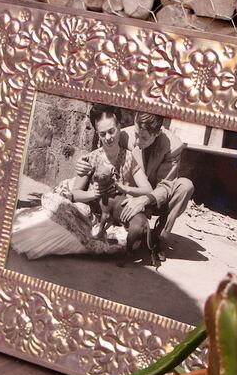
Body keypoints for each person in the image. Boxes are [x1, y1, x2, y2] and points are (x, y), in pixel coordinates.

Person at [11, 104, 153, 260]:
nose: (108, 138)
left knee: (127, 241)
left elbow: (147, 189)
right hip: (91, 213)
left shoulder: (129, 158)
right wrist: (94, 193)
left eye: (112, 131)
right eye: (102, 134)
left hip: (114, 217)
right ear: (98, 135)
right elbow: (75, 194)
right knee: (56, 230)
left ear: (119, 127)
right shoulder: (91, 158)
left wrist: (124, 188)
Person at [76, 112, 195, 263]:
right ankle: (126, 227)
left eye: (144, 138)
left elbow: (166, 185)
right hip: (128, 197)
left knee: (185, 186)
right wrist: (82, 162)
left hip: (155, 196)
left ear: (157, 133)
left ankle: (158, 238)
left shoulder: (174, 146)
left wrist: (146, 199)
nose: (137, 141)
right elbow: (103, 151)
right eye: (136, 134)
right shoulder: (124, 134)